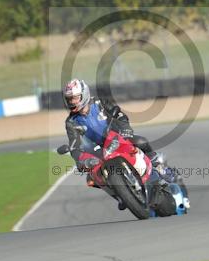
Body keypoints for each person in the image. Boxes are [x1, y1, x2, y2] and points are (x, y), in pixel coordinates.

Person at [63, 78, 166, 210]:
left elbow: (119, 114)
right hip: (96, 150)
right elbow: (74, 146)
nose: (72, 102)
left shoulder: (100, 103)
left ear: (84, 94)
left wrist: (125, 128)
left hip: (117, 138)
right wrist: (80, 160)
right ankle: (120, 195)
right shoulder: (71, 122)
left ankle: (158, 166)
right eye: (69, 99)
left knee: (141, 141)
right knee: (91, 179)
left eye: (75, 98)